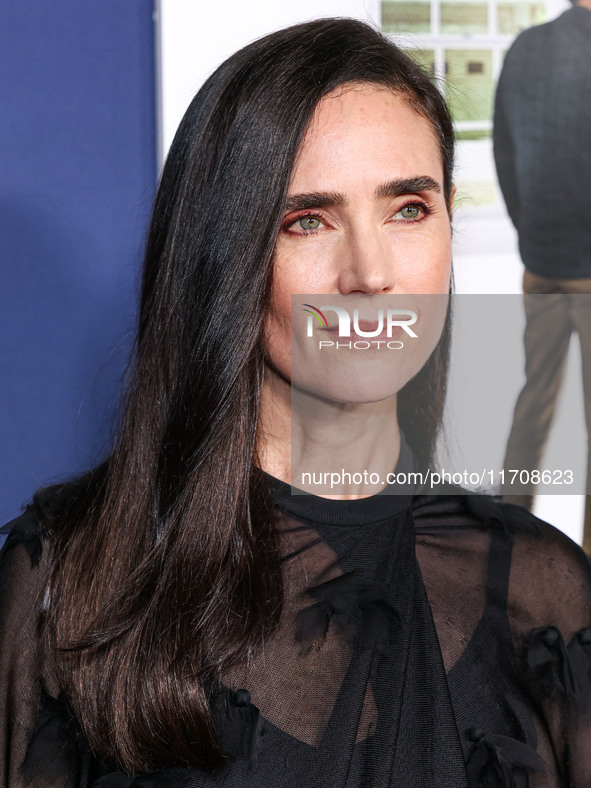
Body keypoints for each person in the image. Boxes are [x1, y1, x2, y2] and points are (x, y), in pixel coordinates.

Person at [1, 18, 590, 788]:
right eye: (307, 220)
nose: (370, 273)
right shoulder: (70, 582)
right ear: (229, 255)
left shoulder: (543, 594)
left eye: (406, 207)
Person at [493, 0, 591, 554]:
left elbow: (505, 153)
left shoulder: (525, 49)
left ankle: (504, 541)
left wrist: (527, 230)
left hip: (542, 265)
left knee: (534, 402)